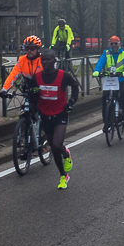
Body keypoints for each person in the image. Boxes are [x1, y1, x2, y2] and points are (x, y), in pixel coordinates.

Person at [30, 49, 80, 189]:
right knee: (53, 148)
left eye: (48, 60)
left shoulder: (63, 76)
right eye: (43, 60)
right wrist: (33, 97)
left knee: (58, 146)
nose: (45, 62)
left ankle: (66, 153)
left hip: (60, 114)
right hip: (45, 115)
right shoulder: (37, 77)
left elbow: (75, 87)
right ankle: (63, 176)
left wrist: (71, 103)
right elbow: (33, 95)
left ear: (54, 61)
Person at [93, 35, 124, 132]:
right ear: (109, 44)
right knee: (105, 97)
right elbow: (101, 62)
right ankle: (106, 122)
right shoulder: (106, 53)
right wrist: (96, 71)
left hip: (122, 78)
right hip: (110, 79)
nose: (114, 45)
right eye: (112, 43)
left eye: (116, 43)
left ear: (119, 44)